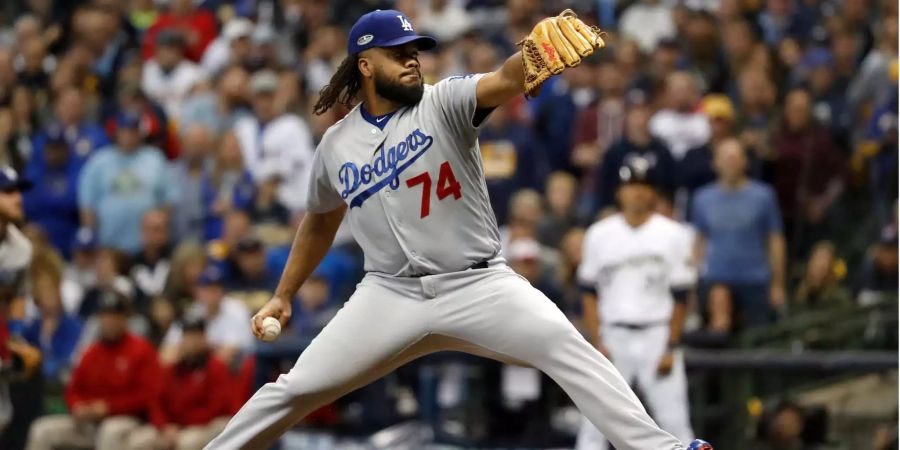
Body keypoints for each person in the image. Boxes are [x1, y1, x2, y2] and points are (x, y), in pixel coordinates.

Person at [206, 9, 709, 450]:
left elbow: (504, 79)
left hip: (478, 283)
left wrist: (531, 57)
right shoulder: (336, 145)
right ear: (364, 65)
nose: (412, 59)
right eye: (397, 52)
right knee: (295, 389)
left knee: (568, 347)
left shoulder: (442, 101)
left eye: (415, 51)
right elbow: (319, 217)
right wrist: (284, 293)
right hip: (388, 293)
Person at [576, 156, 696, 448]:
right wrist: (597, 341)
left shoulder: (674, 234)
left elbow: (681, 295)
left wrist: (672, 345)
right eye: (631, 185)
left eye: (644, 185)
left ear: (654, 192)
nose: (637, 192)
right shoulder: (599, 234)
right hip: (613, 335)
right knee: (595, 425)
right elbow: (588, 291)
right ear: (619, 192)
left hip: (657, 334)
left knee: (675, 422)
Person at [25, 289, 160, 450]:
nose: (109, 321)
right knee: (41, 430)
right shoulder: (91, 352)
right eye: (105, 316)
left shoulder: (141, 350)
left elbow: (148, 395)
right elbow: (73, 389)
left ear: (125, 319)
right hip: (89, 421)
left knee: (109, 431)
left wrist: (109, 407)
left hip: (128, 420)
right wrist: (77, 406)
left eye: (115, 316)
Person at [691, 139, 786, 333]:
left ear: (745, 162)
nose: (730, 162)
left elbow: (775, 241)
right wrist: (693, 286)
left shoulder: (764, 196)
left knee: (757, 340)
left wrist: (777, 285)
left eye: (735, 157)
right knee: (717, 337)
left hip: (755, 280)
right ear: (715, 163)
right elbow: (698, 243)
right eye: (725, 157)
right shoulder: (702, 199)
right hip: (717, 280)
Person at [126, 316, 231, 450]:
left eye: (196, 336)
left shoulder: (216, 367)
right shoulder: (172, 368)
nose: (191, 341)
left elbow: (217, 408)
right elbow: (155, 401)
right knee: (138, 441)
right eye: (187, 336)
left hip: (202, 427)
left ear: (204, 339)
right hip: (171, 427)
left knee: (187, 443)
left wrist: (180, 425)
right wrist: (163, 426)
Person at [78, 112, 174, 254]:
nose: (129, 136)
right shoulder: (99, 161)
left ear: (140, 133)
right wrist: (94, 241)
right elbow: (87, 207)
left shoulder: (154, 158)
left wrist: (158, 237)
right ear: (117, 132)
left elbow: (166, 203)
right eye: (125, 130)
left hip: (147, 248)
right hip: (109, 246)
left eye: (133, 131)